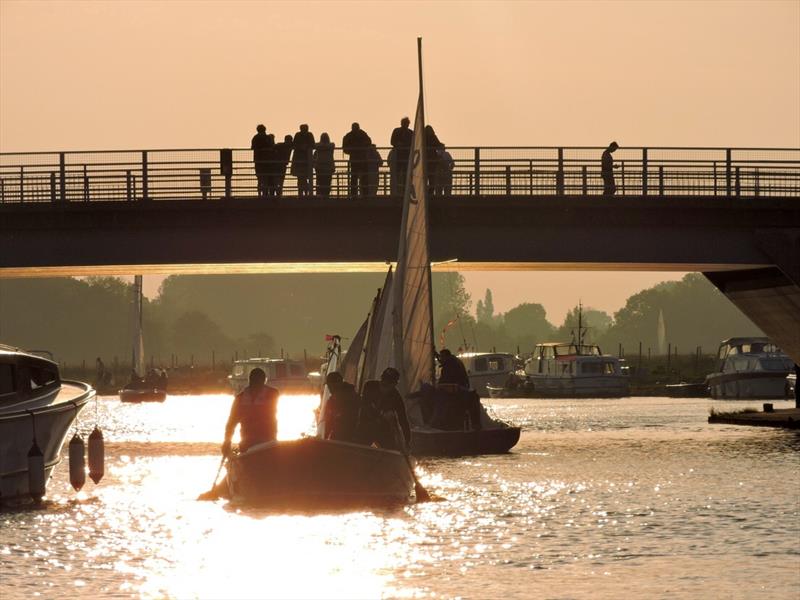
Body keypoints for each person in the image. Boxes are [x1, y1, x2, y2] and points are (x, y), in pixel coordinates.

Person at [221, 367, 279, 457]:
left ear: (264, 381)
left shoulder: (272, 394)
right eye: (255, 381)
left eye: (259, 381)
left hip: (267, 441)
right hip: (247, 442)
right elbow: (231, 422)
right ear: (250, 381)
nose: (256, 384)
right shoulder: (240, 398)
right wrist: (227, 442)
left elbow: (231, 422)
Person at [360, 368, 411, 450]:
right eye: (383, 383)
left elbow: (403, 420)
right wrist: (382, 414)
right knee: (362, 437)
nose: (385, 387)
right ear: (381, 380)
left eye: (388, 384)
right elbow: (365, 405)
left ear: (394, 384)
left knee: (391, 447)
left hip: (383, 430)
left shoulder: (396, 397)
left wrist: (407, 441)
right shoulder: (369, 386)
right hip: (366, 425)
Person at [322, 371, 360, 442]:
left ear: (337, 384)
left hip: (346, 441)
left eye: (330, 386)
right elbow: (329, 422)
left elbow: (330, 423)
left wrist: (325, 439)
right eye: (329, 386)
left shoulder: (349, 399)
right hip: (345, 440)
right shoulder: (354, 395)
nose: (330, 389)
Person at [342, 122, 372, 198]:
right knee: (359, 178)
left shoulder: (350, 135)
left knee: (358, 177)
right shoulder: (362, 134)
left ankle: (358, 194)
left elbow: (345, 148)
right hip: (360, 159)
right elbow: (369, 142)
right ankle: (362, 194)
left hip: (357, 159)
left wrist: (353, 150)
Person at [390, 117, 413, 195]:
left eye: (407, 123)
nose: (406, 125)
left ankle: (405, 191)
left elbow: (413, 143)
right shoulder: (397, 131)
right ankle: (397, 191)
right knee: (397, 174)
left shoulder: (411, 132)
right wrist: (398, 144)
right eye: (404, 123)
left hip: (407, 156)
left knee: (406, 174)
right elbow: (392, 141)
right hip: (398, 155)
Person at [291, 124, 316, 196]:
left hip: (305, 160)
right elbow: (294, 145)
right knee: (301, 178)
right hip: (302, 160)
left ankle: (304, 192)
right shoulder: (303, 135)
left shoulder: (305, 135)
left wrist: (305, 147)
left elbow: (313, 145)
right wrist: (302, 147)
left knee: (303, 178)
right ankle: (302, 193)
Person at [251, 124, 274, 198]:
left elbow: (253, 147)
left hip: (259, 161)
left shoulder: (255, 138)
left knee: (260, 178)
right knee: (268, 178)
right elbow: (272, 146)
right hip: (268, 161)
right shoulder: (268, 138)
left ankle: (260, 194)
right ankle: (266, 193)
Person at [314, 133, 336, 198]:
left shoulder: (331, 145)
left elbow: (316, 146)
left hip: (322, 166)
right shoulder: (330, 145)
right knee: (324, 182)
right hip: (326, 167)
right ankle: (324, 196)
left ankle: (323, 195)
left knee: (324, 182)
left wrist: (321, 147)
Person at [424, 125, 444, 196]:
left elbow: (438, 144)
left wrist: (440, 145)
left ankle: (430, 192)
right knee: (425, 177)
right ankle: (425, 192)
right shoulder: (423, 138)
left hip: (431, 160)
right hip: (426, 160)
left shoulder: (433, 137)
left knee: (432, 178)